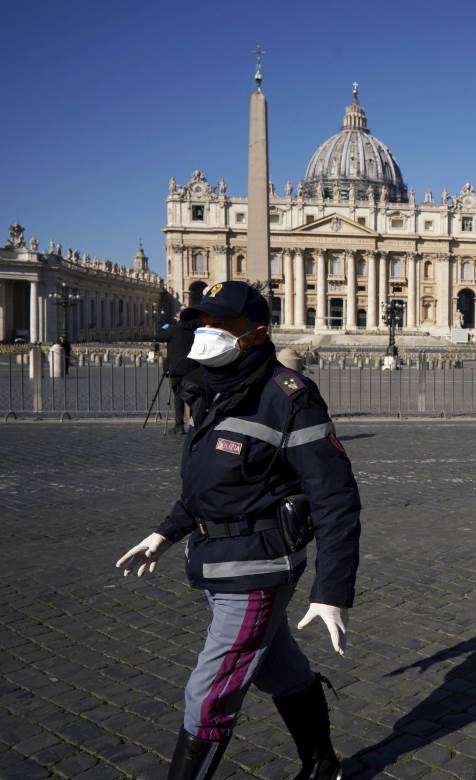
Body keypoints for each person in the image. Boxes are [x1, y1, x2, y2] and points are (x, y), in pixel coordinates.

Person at [116, 281, 362, 780]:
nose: (206, 333)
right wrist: (166, 533)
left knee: (208, 696)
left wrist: (331, 591)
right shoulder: (213, 386)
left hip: (259, 568)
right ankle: (322, 764)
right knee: (277, 667)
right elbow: (209, 486)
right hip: (214, 558)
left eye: (220, 325)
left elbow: (336, 499)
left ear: (256, 333)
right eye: (203, 323)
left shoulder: (289, 398)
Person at [155, 317, 202, 434]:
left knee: (178, 397)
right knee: (193, 396)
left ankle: (179, 425)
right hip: (192, 368)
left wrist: (162, 326)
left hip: (177, 368)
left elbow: (159, 337)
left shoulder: (174, 329)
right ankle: (194, 425)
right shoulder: (195, 330)